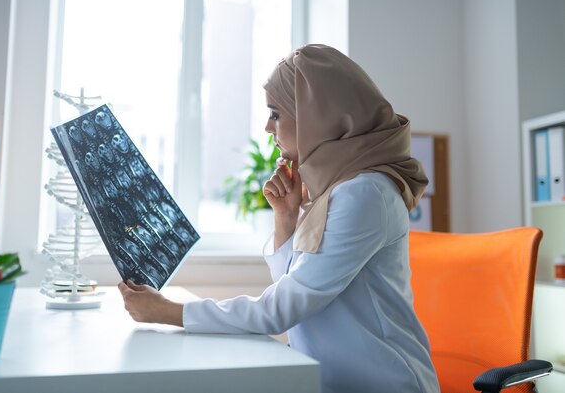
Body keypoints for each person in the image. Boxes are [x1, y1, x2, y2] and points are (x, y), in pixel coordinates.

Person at [118, 44, 440, 393]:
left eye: (276, 114)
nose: (268, 127)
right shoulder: (338, 187)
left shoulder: (364, 194)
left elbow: (284, 307)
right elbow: (295, 286)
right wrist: (286, 218)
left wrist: (168, 312)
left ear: (316, 118)